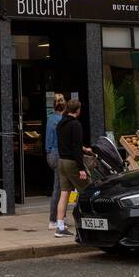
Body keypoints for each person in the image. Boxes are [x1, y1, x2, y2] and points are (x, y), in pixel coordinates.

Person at [54, 98, 88, 237]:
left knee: (64, 193)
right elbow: (75, 148)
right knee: (87, 190)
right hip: (71, 162)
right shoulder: (76, 125)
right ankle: (86, 223)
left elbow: (67, 143)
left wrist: (82, 148)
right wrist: (81, 168)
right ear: (78, 110)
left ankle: (60, 226)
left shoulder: (61, 123)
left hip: (61, 161)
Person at [44, 94, 67, 229]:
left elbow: (48, 141)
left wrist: (49, 152)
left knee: (62, 187)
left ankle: (61, 216)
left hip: (51, 154)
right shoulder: (62, 120)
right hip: (59, 154)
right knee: (59, 188)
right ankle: (53, 220)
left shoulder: (50, 118)